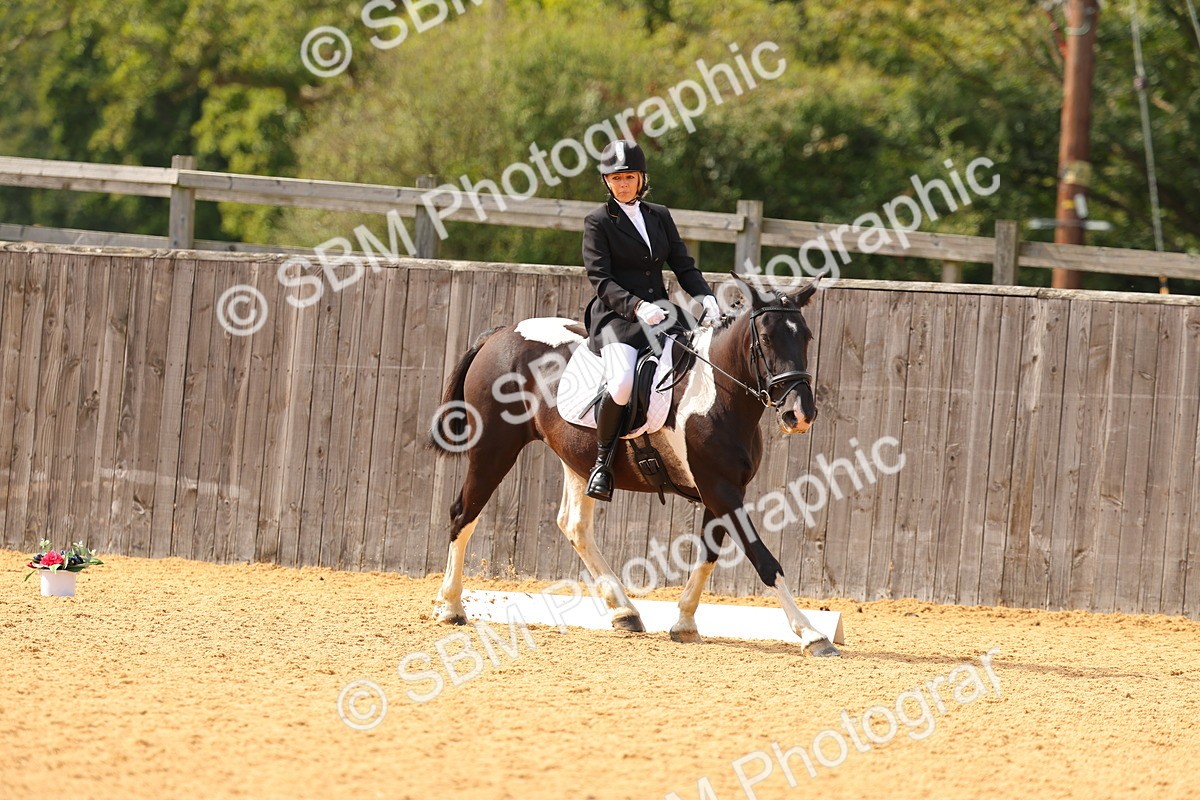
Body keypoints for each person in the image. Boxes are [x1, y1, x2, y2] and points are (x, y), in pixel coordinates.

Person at [581, 139, 721, 502]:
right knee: (622, 383)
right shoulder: (598, 221)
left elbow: (682, 264)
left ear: (641, 179)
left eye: (628, 177)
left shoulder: (659, 216)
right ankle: (602, 464)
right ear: (606, 181)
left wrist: (705, 295)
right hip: (617, 318)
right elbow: (600, 279)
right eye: (615, 178)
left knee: (701, 362)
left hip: (661, 314)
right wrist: (636, 306)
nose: (622, 184)